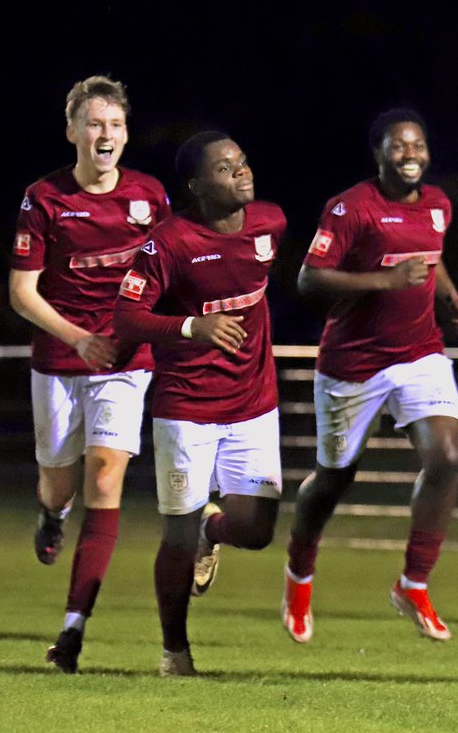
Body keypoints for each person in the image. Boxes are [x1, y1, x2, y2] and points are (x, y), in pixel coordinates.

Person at [281, 108, 458, 644]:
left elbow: (432, 260)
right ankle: (299, 573)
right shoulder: (350, 208)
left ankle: (413, 584)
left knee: (447, 456)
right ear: (379, 153)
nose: (410, 155)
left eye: (418, 145)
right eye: (398, 146)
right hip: (353, 362)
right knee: (335, 477)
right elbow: (310, 279)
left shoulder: (438, 205)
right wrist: (385, 280)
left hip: (418, 354)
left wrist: (450, 296)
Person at [8, 75, 170, 673]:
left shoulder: (150, 196)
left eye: (116, 125)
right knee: (60, 484)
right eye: (95, 124)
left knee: (105, 479)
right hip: (59, 361)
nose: (107, 134)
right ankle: (51, 514)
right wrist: (80, 340)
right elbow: (22, 292)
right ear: (73, 131)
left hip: (125, 367)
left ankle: (73, 629)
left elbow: (168, 272)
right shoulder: (43, 199)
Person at [114, 131, 286, 677]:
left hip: (255, 404)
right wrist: (193, 325)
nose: (239, 171)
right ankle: (175, 653)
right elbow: (126, 318)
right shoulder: (168, 243)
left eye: (241, 161)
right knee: (176, 536)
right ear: (195, 186)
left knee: (257, 531)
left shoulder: (271, 223)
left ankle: (217, 530)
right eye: (222, 168)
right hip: (186, 406)